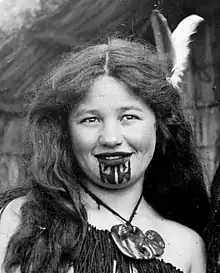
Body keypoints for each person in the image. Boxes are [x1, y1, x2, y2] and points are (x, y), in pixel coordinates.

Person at [0, 12, 209, 273]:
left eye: (129, 117)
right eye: (90, 119)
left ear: (160, 125)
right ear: (65, 132)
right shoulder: (19, 220)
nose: (110, 138)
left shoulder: (187, 247)